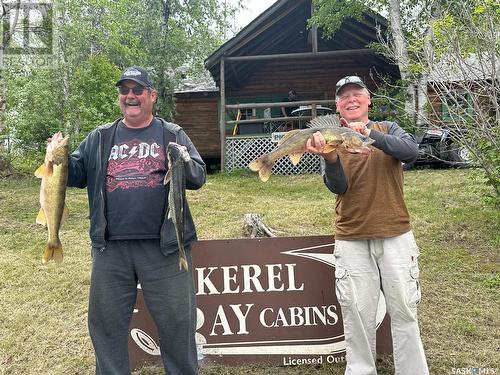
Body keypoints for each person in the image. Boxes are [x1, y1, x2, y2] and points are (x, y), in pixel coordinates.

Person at [62, 66, 206, 374]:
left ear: (152, 96)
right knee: (106, 327)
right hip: (110, 251)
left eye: (138, 90)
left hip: (164, 248)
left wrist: (181, 159)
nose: (131, 96)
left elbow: (198, 176)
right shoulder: (100, 137)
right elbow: (74, 174)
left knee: (178, 326)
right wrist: (58, 159)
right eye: (125, 90)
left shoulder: (172, 133)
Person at [305, 75, 429, 375]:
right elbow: (338, 188)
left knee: (404, 311)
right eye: (344, 96)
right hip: (352, 236)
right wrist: (332, 158)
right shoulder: (330, 137)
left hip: (396, 234)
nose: (351, 99)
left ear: (368, 99)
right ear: (337, 105)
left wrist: (371, 134)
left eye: (356, 94)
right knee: (357, 315)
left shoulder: (389, 129)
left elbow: (412, 152)